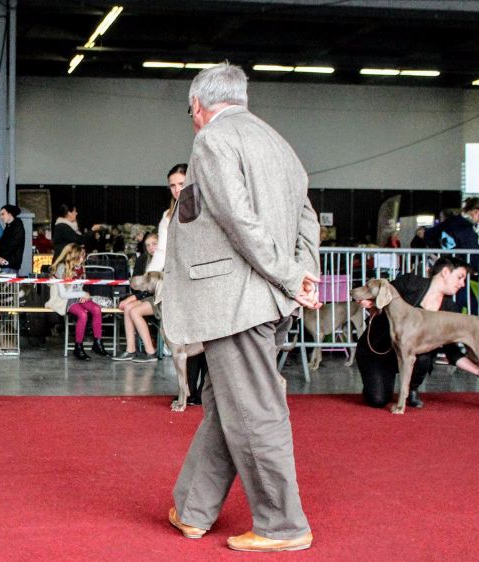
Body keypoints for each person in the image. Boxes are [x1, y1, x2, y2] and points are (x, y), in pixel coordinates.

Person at [163, 63, 320, 552]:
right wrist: (303, 274)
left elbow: (236, 219)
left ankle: (282, 525)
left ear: (198, 107)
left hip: (237, 300)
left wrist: (291, 275)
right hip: (268, 300)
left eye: (191, 111)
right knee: (227, 404)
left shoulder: (212, 140)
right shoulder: (281, 145)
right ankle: (192, 509)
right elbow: (307, 218)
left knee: (254, 412)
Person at [354, 258, 479, 409]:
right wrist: (370, 303)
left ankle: (410, 389)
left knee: (424, 356)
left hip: (408, 355)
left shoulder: (449, 307)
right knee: (378, 400)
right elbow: (379, 294)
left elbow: (453, 353)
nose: (462, 284)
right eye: (460, 277)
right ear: (445, 272)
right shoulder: (409, 282)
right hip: (378, 351)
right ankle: (377, 381)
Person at [115, 164, 188, 364]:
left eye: (181, 184)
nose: (177, 189)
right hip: (174, 282)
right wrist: (149, 279)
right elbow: (162, 251)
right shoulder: (167, 216)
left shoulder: (204, 208)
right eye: (172, 185)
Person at [46, 243, 108, 361]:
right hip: (64, 300)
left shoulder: (81, 268)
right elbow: (63, 294)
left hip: (77, 297)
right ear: (72, 256)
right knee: (83, 314)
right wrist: (82, 294)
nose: (82, 259)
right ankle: (78, 347)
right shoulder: (61, 268)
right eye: (80, 256)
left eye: (83, 256)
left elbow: (79, 289)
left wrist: (84, 295)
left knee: (96, 309)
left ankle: (97, 343)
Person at [0, 204, 26, 273]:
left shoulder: (17, 226)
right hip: (6, 264)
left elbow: (12, 244)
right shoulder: (9, 227)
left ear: (10, 214)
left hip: (9, 265)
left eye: (3, 214)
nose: (1, 217)